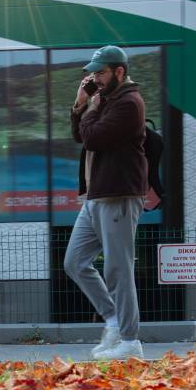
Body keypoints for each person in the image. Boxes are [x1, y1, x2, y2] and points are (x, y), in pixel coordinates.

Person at [62, 45, 148, 360]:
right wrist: (79, 106)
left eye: (100, 72)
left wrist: (91, 108)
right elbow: (79, 135)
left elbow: (94, 138)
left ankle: (130, 341)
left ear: (119, 72)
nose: (94, 78)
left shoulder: (129, 103)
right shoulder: (105, 101)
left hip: (119, 195)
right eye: (93, 73)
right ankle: (113, 321)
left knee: (117, 269)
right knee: (74, 262)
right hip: (97, 195)